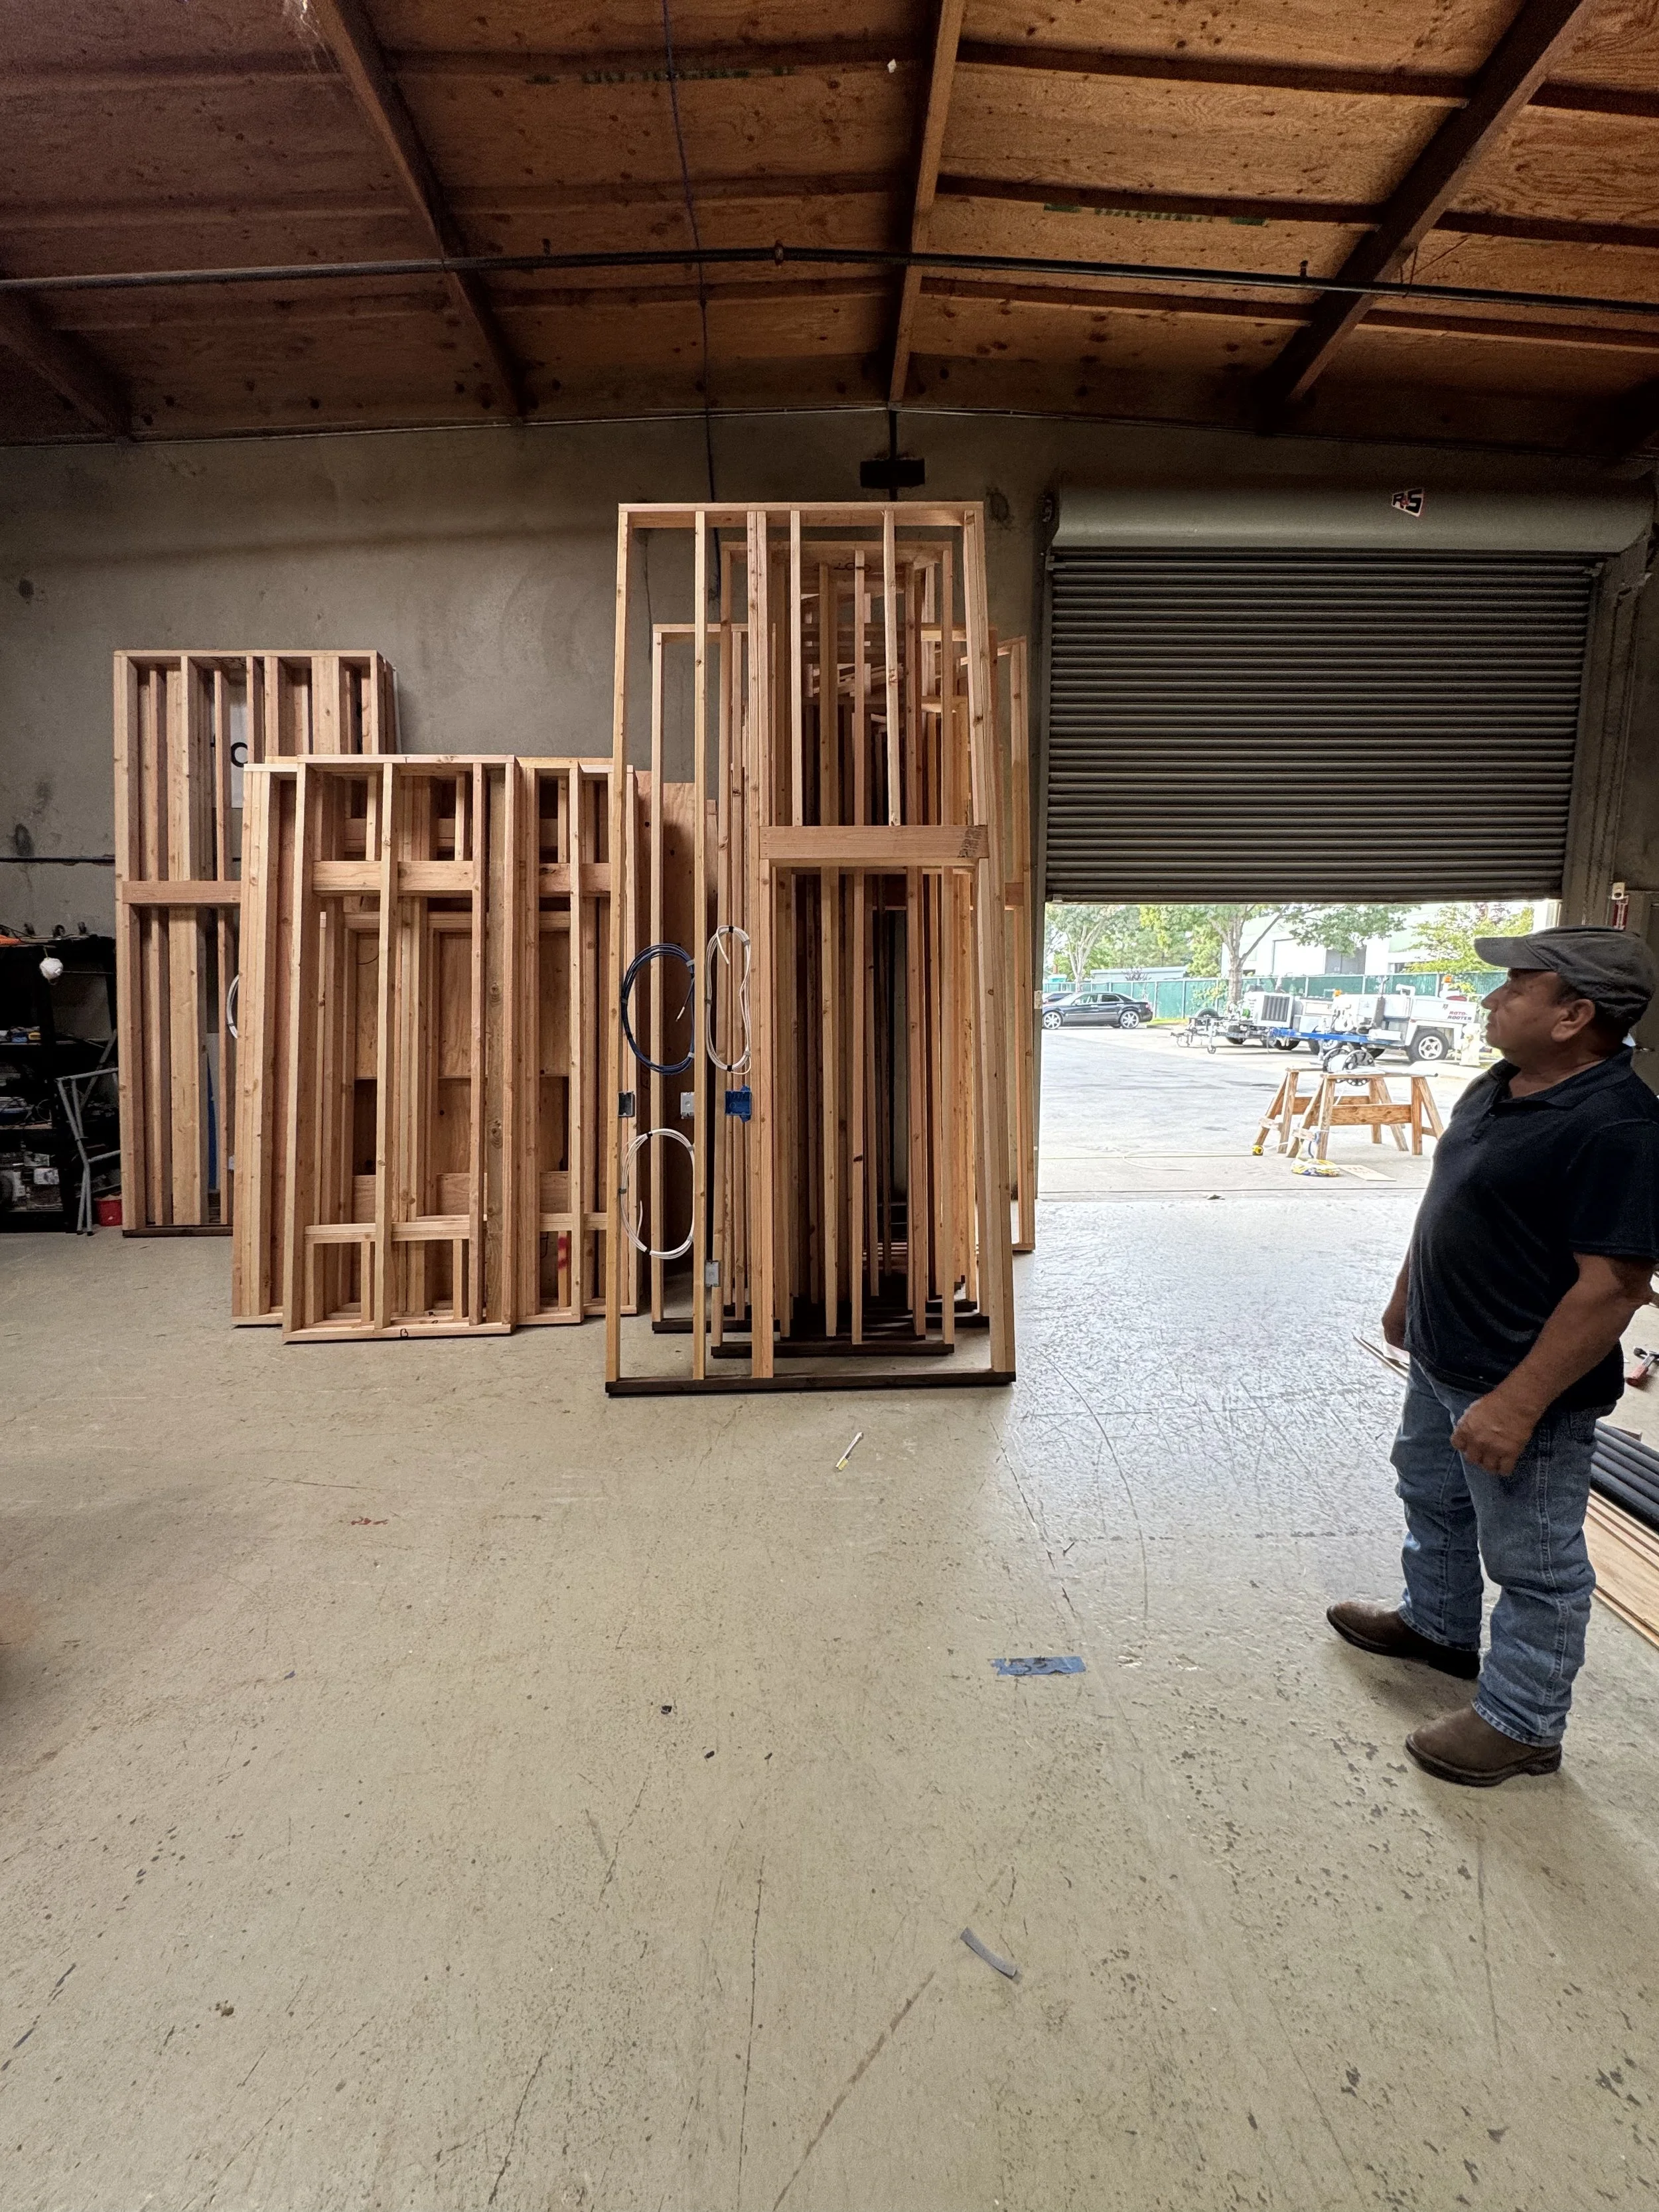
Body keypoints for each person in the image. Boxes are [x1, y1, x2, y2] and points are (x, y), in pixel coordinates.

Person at [1329, 925, 1659, 1785]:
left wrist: (1516, 1405)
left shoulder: (1620, 1127)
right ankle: (1437, 1627)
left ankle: (1522, 1723)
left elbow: (1614, 1287)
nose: (1491, 999)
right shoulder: (1498, 1085)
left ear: (1573, 1016)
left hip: (1523, 1384)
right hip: (1444, 1356)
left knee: (1534, 1562)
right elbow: (1449, 1198)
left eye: (1516, 986)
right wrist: (1408, 1295)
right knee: (1433, 1497)